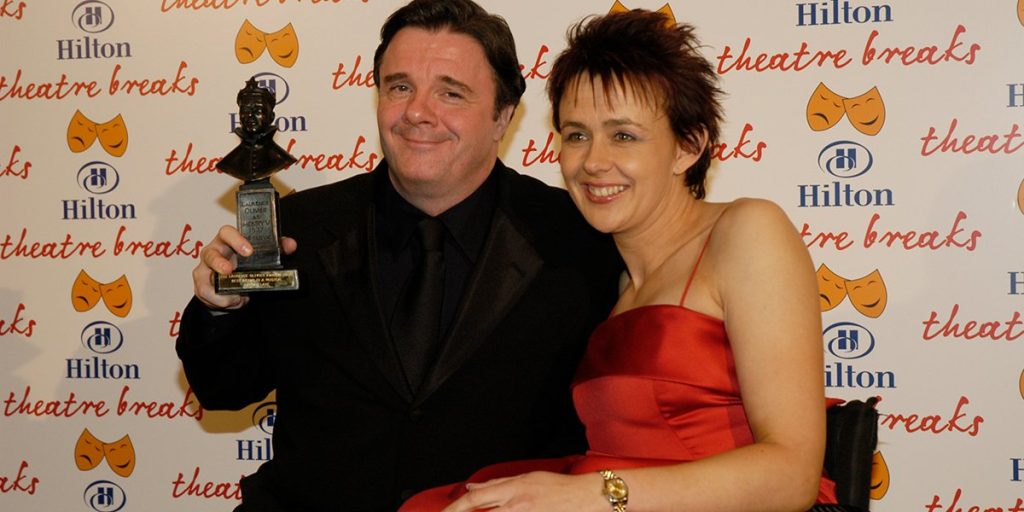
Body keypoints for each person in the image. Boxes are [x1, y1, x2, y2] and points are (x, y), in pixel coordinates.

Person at [175, 1, 621, 510]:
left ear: (503, 116)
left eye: (450, 92)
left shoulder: (577, 240)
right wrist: (219, 309)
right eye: (400, 86)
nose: (416, 111)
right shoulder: (301, 228)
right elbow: (223, 389)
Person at [402, 9, 837, 512]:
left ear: (688, 147)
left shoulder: (746, 231)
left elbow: (792, 474)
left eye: (624, 135)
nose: (592, 161)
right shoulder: (597, 274)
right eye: (576, 134)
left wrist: (590, 493)